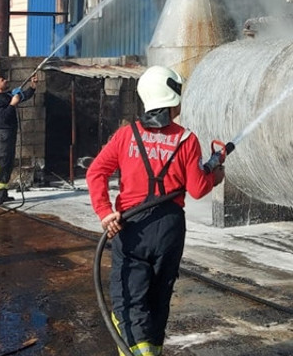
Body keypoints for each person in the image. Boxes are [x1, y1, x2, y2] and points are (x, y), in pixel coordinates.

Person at [86, 65, 225, 356]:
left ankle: (138, 351)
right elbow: (198, 189)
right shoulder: (187, 140)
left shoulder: (127, 135)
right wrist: (216, 173)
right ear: (173, 97)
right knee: (159, 297)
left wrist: (104, 211)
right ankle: (151, 351)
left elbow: (96, 172)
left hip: (131, 226)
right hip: (170, 230)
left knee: (130, 297)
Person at [0, 72, 38, 205]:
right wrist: (12, 105)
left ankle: (2, 194)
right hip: (2, 135)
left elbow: (24, 96)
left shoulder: (7, 96)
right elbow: (3, 118)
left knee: (8, 164)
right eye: (3, 80)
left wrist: (33, 86)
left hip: (10, 134)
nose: (6, 81)